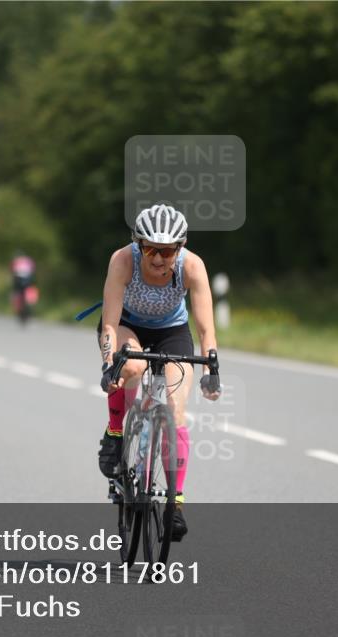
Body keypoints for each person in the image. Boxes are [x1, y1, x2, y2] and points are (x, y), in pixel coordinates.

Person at [96, 204, 222, 540]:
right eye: (150, 248)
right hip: (127, 326)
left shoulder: (192, 266)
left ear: (179, 248)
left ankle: (175, 502)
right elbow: (109, 323)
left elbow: (206, 329)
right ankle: (115, 433)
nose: (158, 258)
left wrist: (212, 368)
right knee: (132, 368)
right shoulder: (122, 260)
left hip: (172, 331)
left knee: (175, 409)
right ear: (137, 244)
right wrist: (110, 365)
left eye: (167, 251)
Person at [10, 250, 37, 322]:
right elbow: (33, 269)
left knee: (17, 293)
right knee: (28, 291)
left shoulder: (16, 261)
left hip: (19, 280)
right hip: (28, 279)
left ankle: (19, 306)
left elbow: (12, 271)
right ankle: (30, 304)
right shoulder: (28, 260)